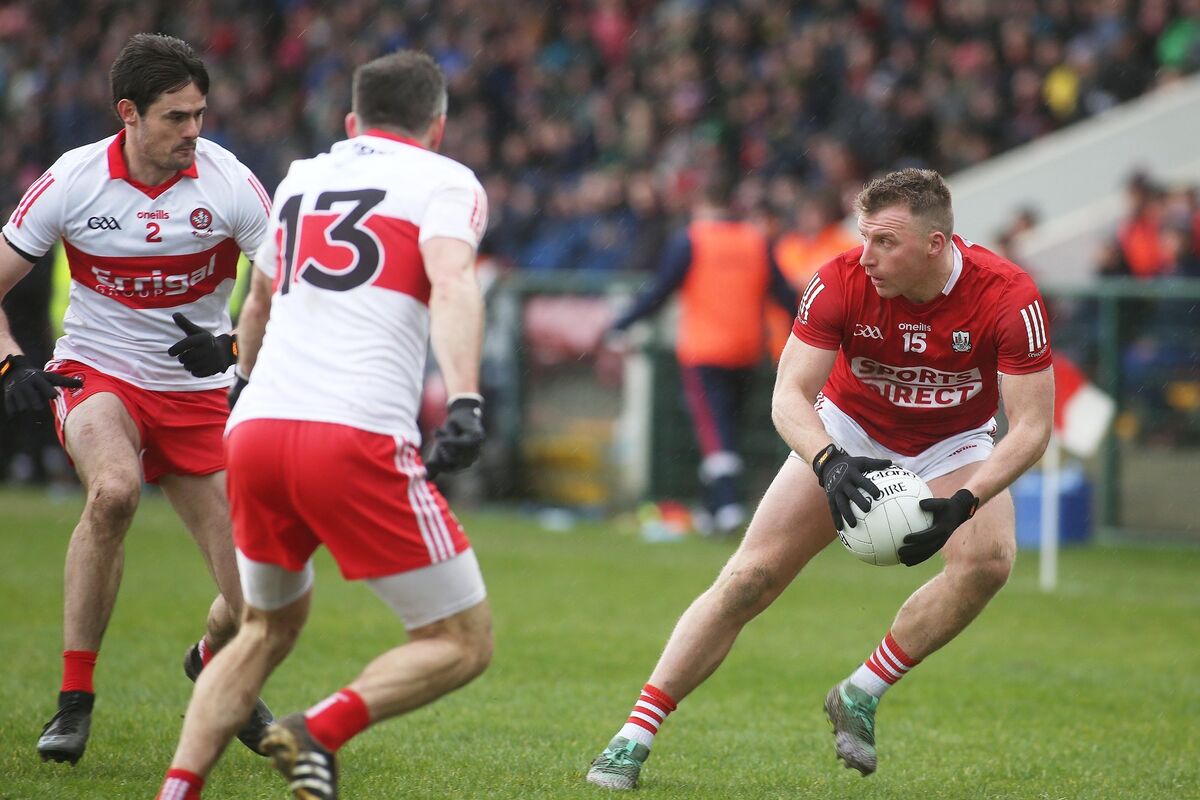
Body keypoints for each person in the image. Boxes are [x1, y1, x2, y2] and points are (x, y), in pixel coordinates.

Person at [586, 167, 1054, 788]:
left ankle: (860, 692)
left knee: (990, 560)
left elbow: (1030, 427)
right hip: (849, 431)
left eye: (886, 241)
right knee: (748, 579)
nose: (868, 255)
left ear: (936, 245)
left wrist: (967, 499)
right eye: (864, 237)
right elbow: (789, 396)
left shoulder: (1009, 296)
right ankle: (631, 736)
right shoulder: (839, 281)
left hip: (952, 444)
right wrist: (829, 462)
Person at [156, 50, 492, 800]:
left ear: (352, 121)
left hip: (258, 432)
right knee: (461, 642)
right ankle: (321, 729)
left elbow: (258, 304)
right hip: (352, 434)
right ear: (436, 125)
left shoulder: (304, 176)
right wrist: (464, 400)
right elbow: (453, 281)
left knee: (264, 631)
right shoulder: (445, 181)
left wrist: (240, 390)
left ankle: (176, 791)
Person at [0, 33, 274, 765]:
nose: (194, 131)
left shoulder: (230, 183)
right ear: (129, 113)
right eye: (176, 117)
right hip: (100, 373)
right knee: (113, 493)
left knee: (261, 599)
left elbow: (298, 286)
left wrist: (235, 349)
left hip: (198, 391)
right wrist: (8, 365)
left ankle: (211, 659)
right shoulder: (73, 179)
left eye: (200, 115)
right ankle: (73, 701)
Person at [606, 170, 797, 535]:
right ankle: (712, 510)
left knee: (716, 432)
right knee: (729, 429)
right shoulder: (756, 240)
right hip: (747, 349)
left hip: (704, 350)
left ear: (700, 203)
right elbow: (786, 295)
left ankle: (726, 507)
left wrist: (622, 322)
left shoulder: (692, 240)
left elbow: (659, 291)